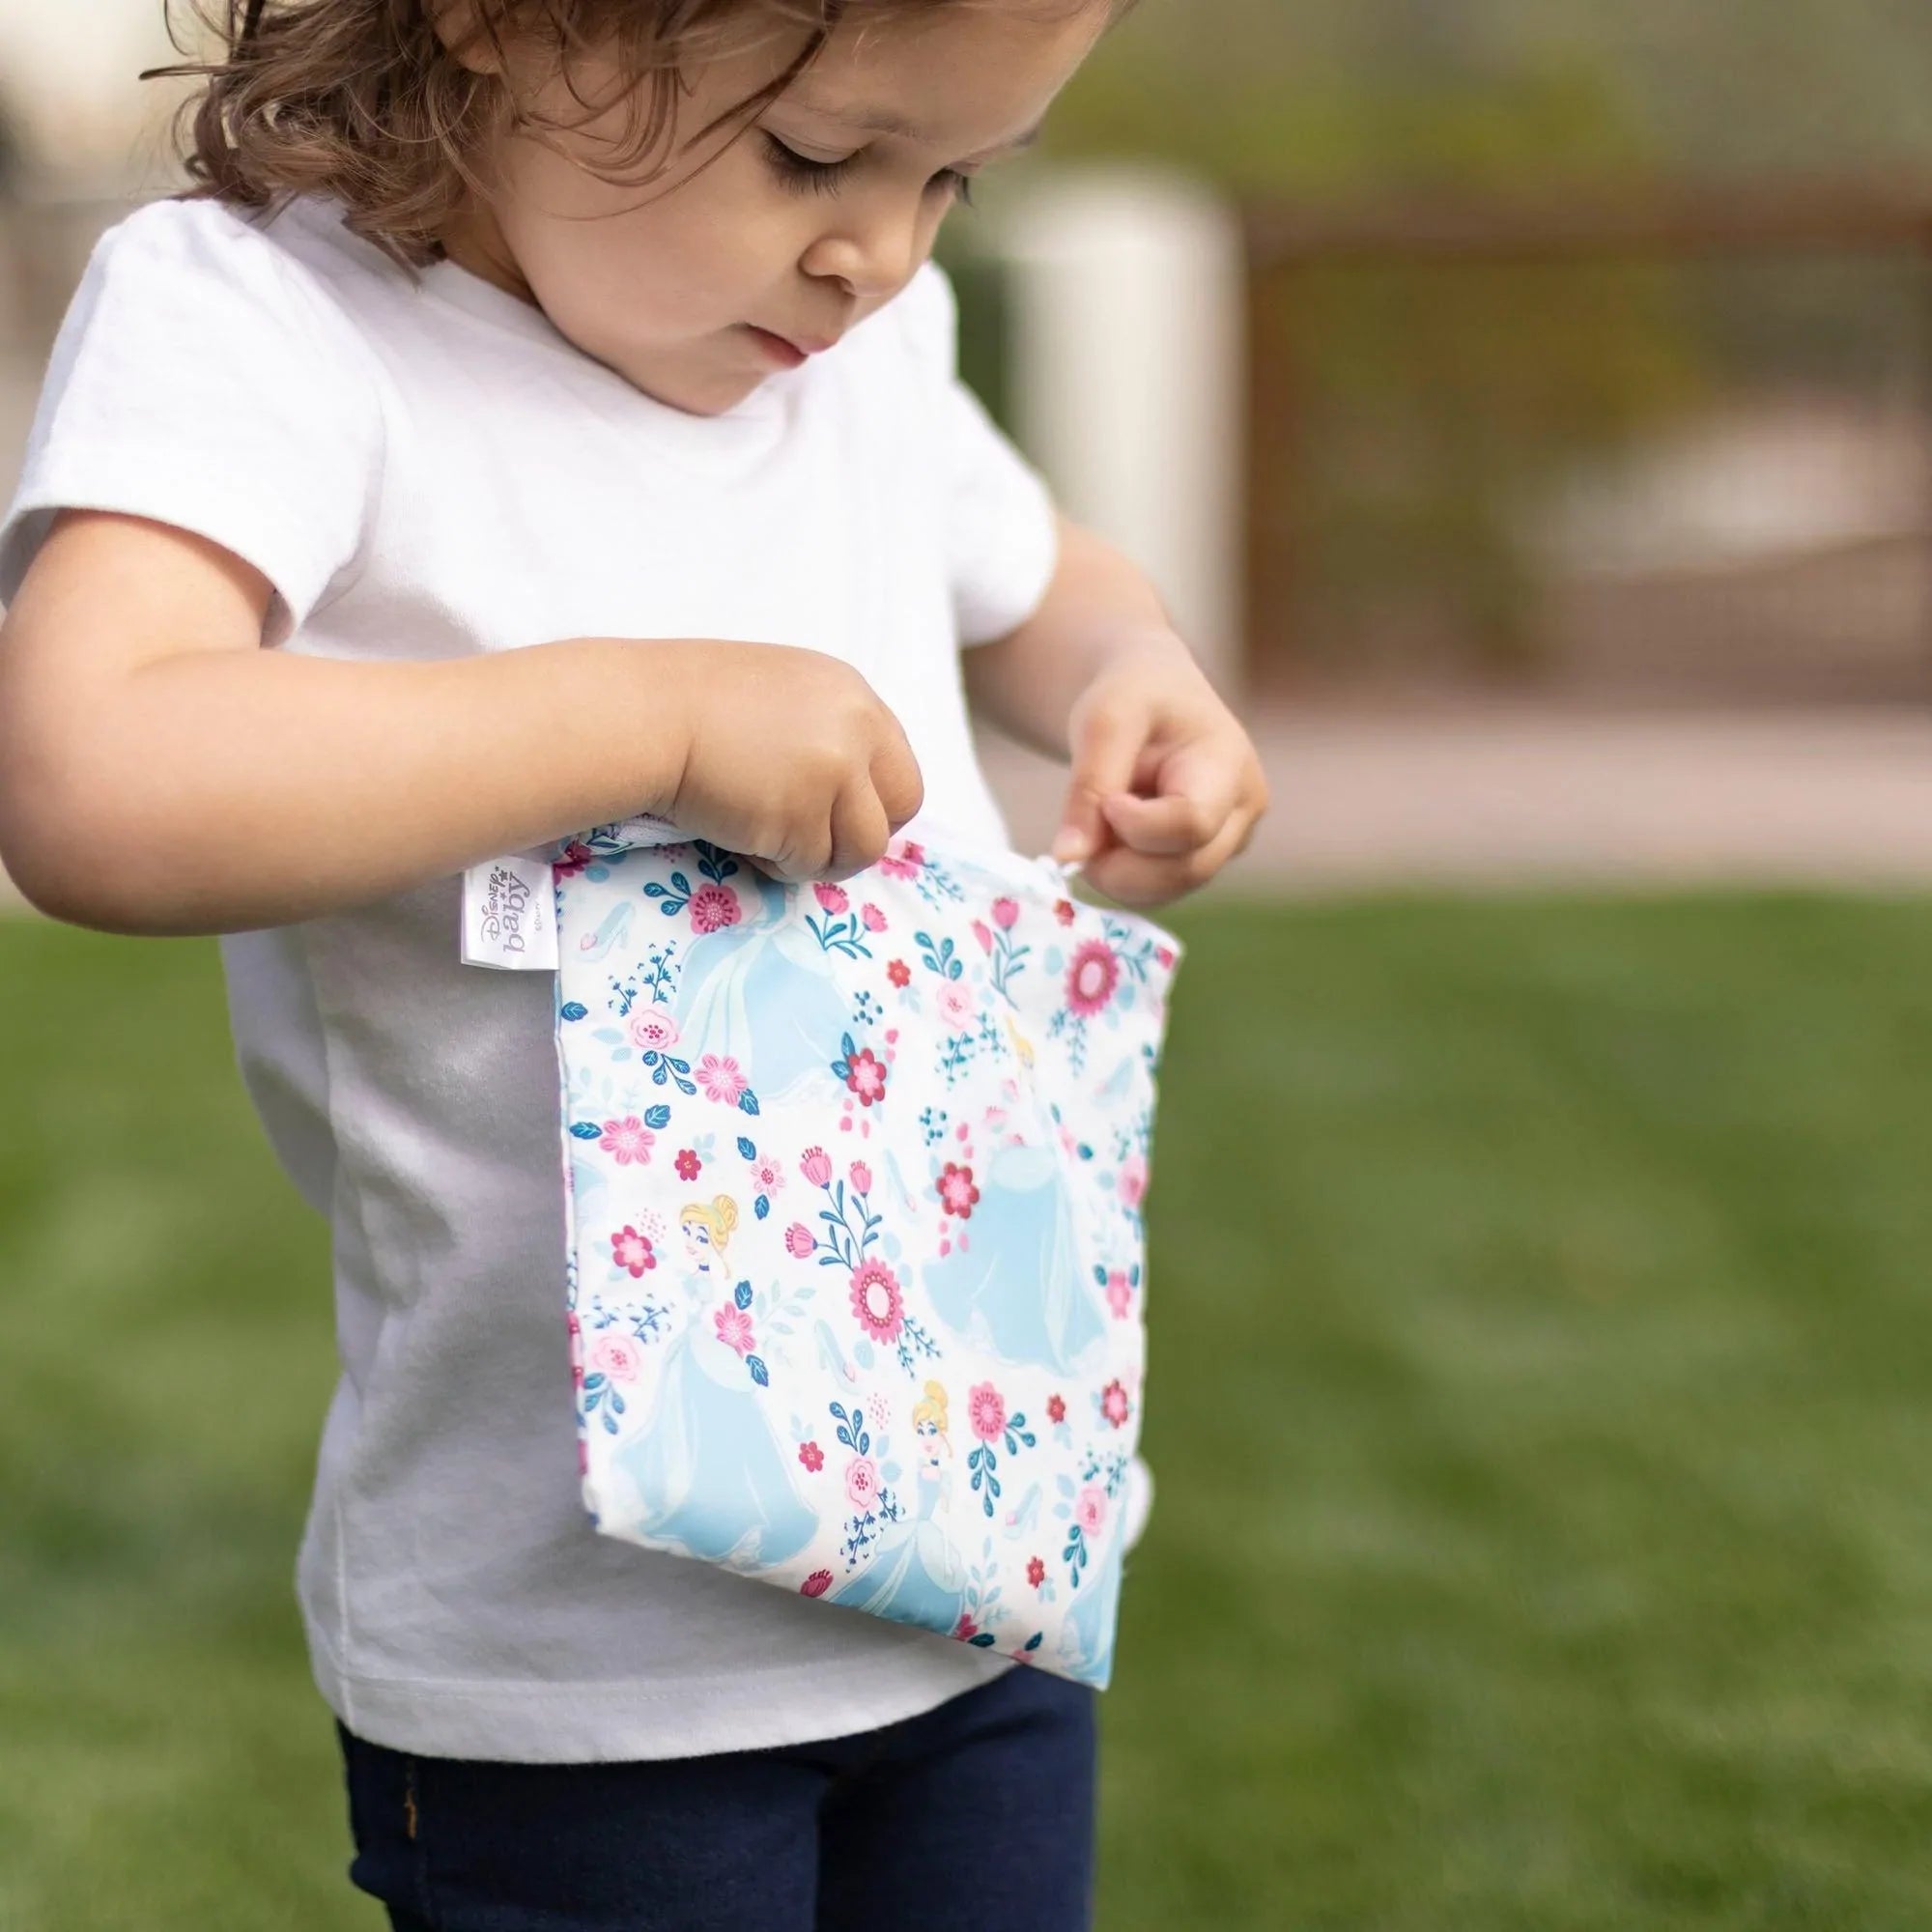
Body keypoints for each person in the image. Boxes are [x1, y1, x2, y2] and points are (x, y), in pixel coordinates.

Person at [0, 0, 1270, 1924]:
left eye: (952, 177)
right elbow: (93, 773)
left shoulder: (858, 354)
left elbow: (1052, 584)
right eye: (817, 155)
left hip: (977, 1548)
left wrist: (1132, 678)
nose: (885, 250)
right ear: (516, 22)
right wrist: (646, 720)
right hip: (582, 1669)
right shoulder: (272, 328)